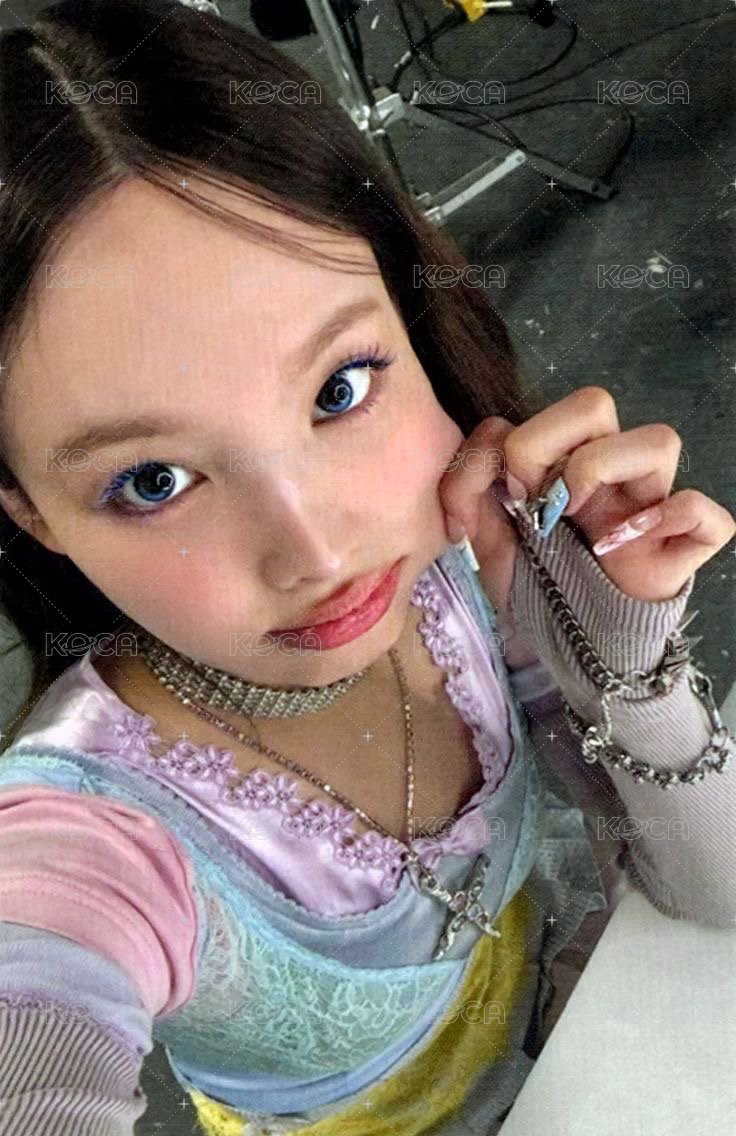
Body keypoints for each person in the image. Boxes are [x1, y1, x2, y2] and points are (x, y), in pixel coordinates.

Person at [0, 2, 734, 1133]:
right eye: (151, 479)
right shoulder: (84, 849)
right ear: (31, 515)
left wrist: (623, 666)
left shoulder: (461, 561)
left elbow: (714, 896)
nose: (319, 550)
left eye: (339, 388)